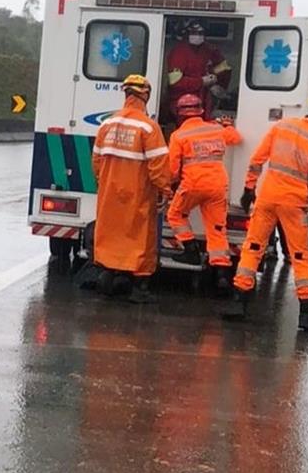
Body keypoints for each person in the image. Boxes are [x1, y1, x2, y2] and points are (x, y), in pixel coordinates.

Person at [223, 86, 308, 332]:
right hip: (294, 204)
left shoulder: (282, 126)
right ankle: (306, 313)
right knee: (300, 257)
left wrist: (248, 189)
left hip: (267, 197)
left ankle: (238, 301)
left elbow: (257, 159)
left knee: (252, 247)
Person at [90, 74, 172, 303]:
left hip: (109, 191)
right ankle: (140, 288)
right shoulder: (148, 127)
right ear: (145, 95)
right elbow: (158, 165)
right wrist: (165, 190)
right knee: (140, 236)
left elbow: (96, 160)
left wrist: (104, 181)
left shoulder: (107, 124)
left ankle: (107, 274)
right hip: (137, 192)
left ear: (126, 94)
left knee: (109, 231)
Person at [166, 92, 242, 289]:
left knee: (175, 215)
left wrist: (167, 185)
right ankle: (222, 274)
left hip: (193, 184)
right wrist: (227, 125)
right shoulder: (216, 129)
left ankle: (190, 252)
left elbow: (173, 170)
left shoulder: (178, 136)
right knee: (217, 229)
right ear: (201, 111)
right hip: (217, 185)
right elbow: (235, 138)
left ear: (180, 114)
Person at [166, 20, 232, 119]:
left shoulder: (209, 50)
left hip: (206, 101)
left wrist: (218, 85)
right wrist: (201, 82)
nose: (198, 36)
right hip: (182, 104)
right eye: (194, 32)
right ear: (186, 33)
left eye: (201, 33)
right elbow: (175, 82)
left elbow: (224, 69)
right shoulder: (179, 52)